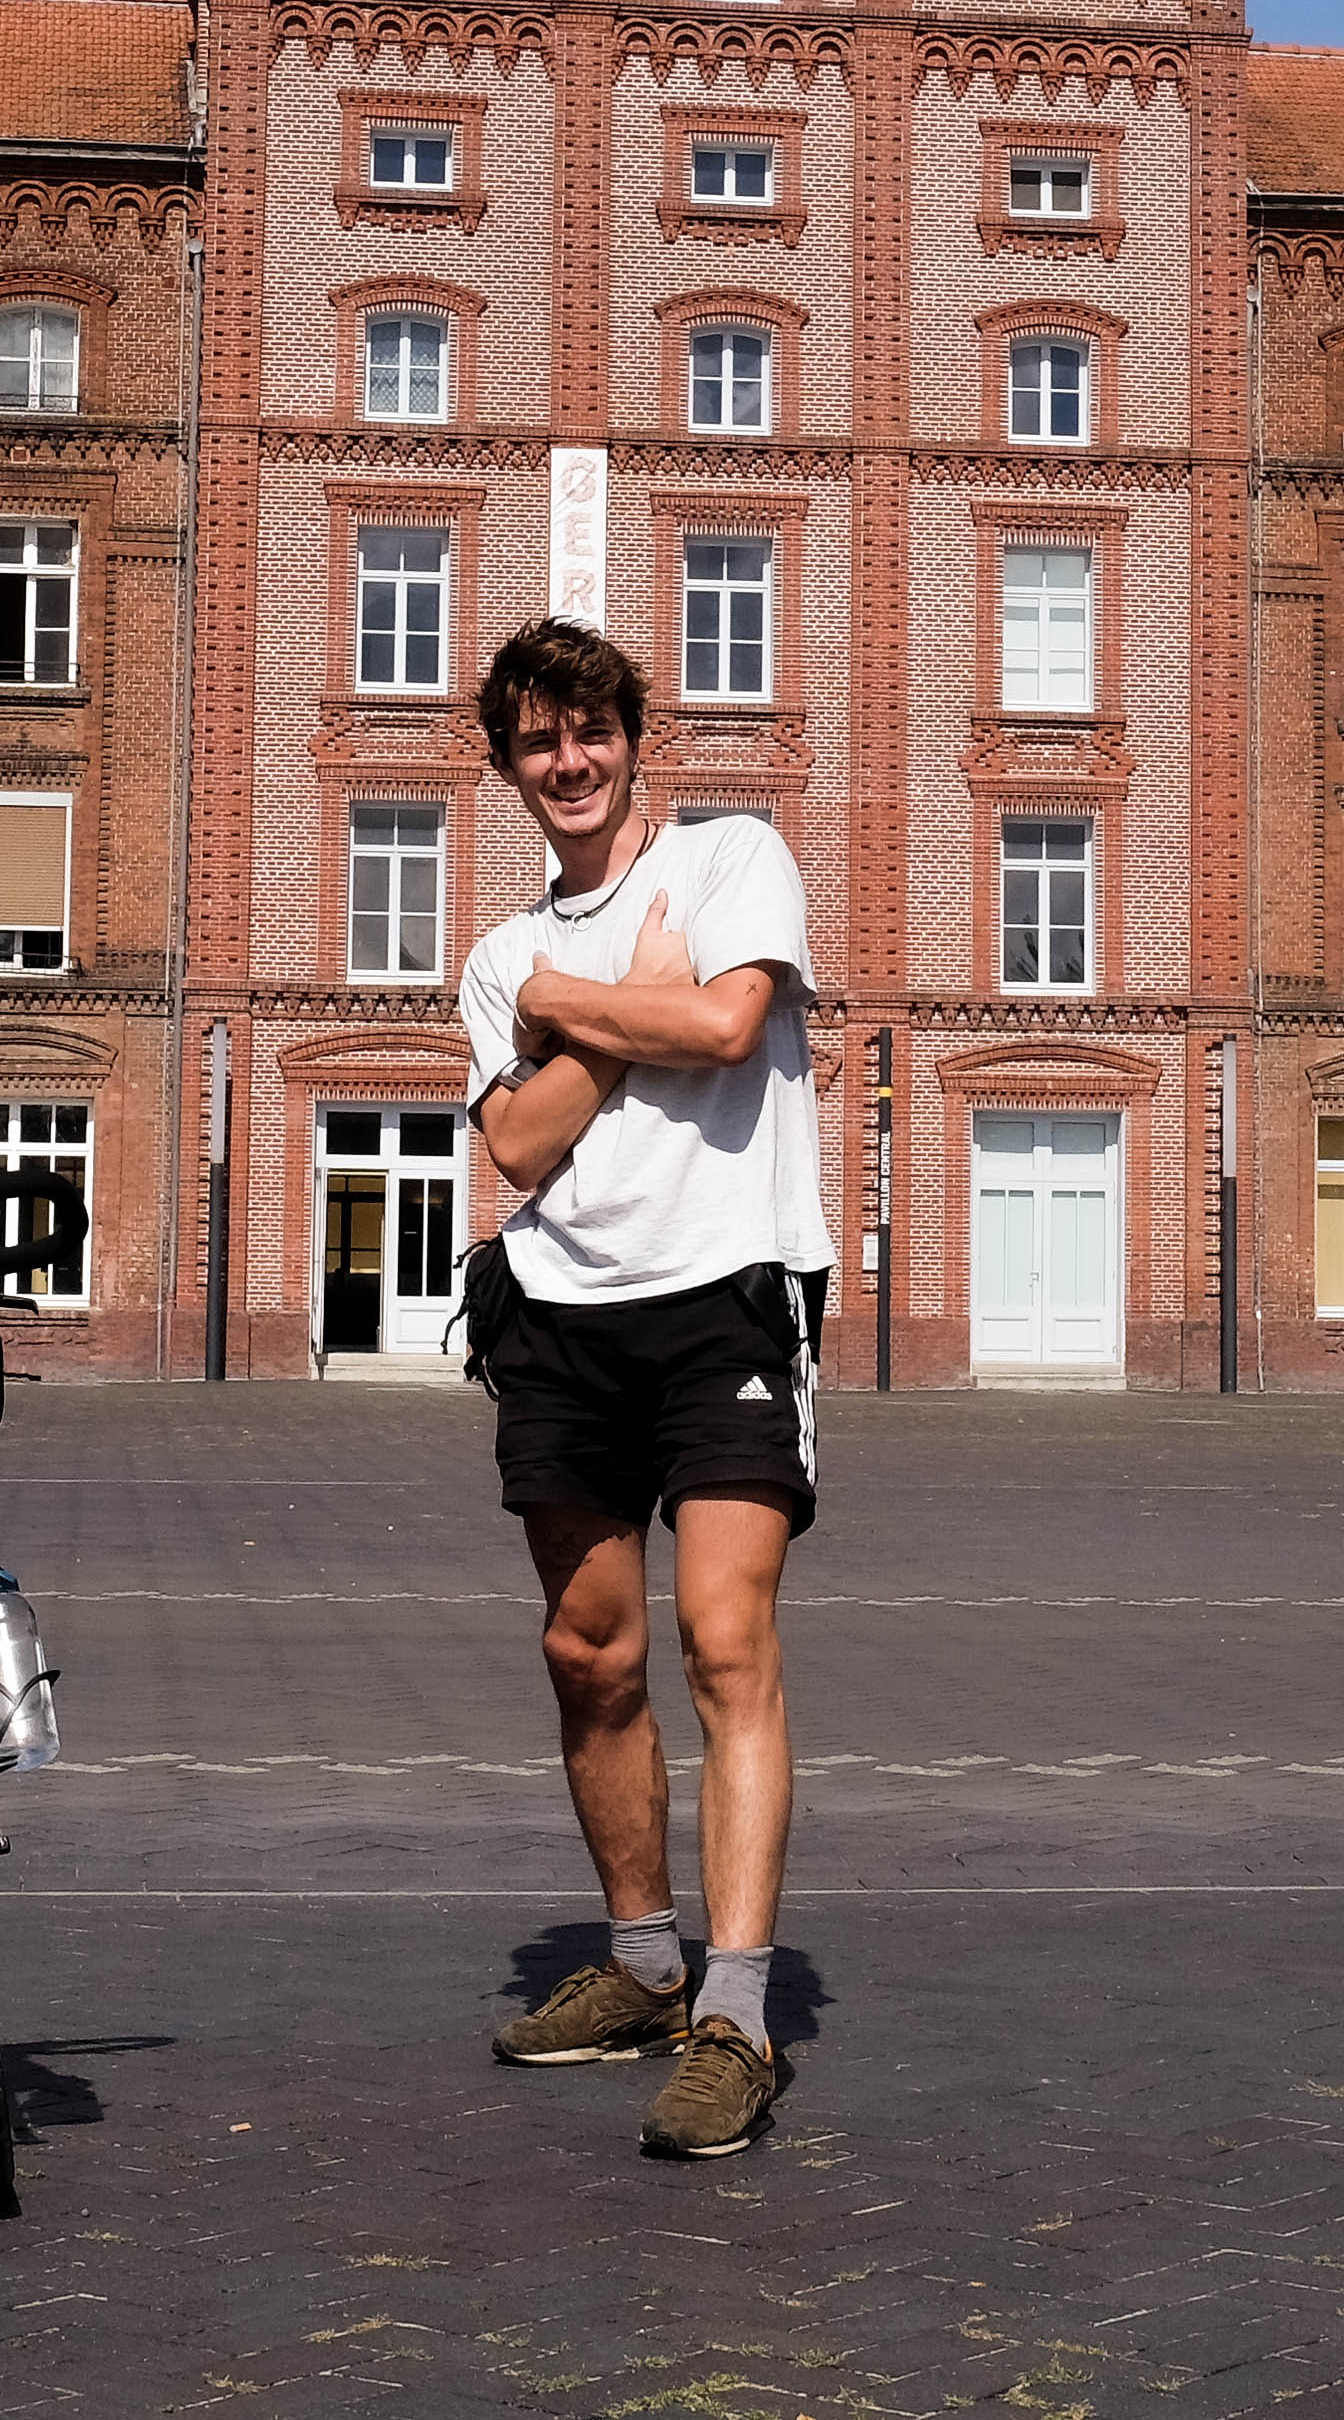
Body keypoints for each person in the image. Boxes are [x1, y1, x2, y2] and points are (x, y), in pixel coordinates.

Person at [452, 616, 832, 2160]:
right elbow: (520, 1147)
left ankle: (735, 2014)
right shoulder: (495, 958)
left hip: (727, 1300)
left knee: (724, 1637)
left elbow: (730, 1022)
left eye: (589, 731)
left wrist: (576, 1012)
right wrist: (617, 1021)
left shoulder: (732, 860)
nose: (569, 761)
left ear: (630, 736)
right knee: (588, 1651)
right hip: (557, 1317)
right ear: (509, 767)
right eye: (537, 741)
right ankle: (640, 1966)